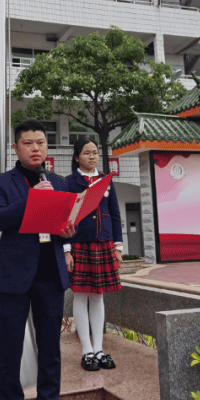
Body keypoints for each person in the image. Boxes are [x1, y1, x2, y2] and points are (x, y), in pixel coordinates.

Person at [0, 118, 79, 400]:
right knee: (10, 350)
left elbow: (69, 224)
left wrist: (70, 232)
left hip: (49, 274)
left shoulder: (60, 181)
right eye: (28, 143)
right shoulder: (1, 183)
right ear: (16, 147)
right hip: (13, 275)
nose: (35, 147)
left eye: (41, 141)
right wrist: (31, 200)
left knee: (51, 349)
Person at [64, 138, 124, 372]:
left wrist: (118, 246)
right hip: (79, 244)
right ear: (77, 156)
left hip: (104, 243)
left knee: (98, 295)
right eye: (86, 153)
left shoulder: (106, 180)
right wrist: (66, 250)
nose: (92, 157)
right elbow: (65, 216)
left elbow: (116, 215)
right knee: (80, 296)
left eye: (95, 153)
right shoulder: (69, 182)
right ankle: (86, 351)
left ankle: (99, 349)